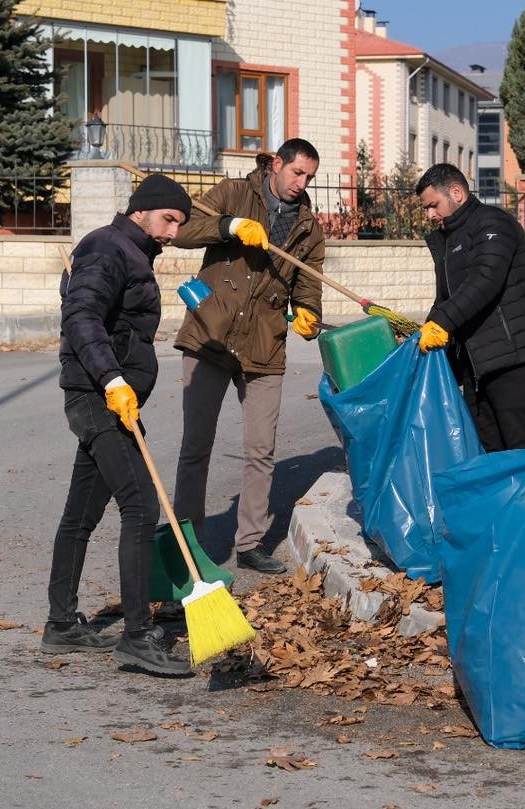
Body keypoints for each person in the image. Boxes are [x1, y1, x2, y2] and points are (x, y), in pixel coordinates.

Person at [42, 174, 194, 676]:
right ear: (142, 210)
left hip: (113, 399)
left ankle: (61, 625)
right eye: (169, 219)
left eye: (180, 223)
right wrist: (111, 379)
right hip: (97, 396)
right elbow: (81, 316)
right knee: (140, 504)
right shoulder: (107, 248)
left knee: (80, 516)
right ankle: (136, 635)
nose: (174, 232)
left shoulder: (131, 251)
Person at [170, 139, 324, 575]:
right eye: (296, 173)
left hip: (265, 345)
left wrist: (310, 313)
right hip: (210, 336)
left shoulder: (309, 228)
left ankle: (251, 543)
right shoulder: (234, 193)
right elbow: (181, 230)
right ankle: (187, 546)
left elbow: (308, 285)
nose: (301, 183)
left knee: (261, 450)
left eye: (309, 177)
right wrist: (229, 226)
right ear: (276, 164)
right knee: (195, 447)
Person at [414, 163, 525, 452]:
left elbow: (486, 280)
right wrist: (424, 331)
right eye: (426, 208)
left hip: (518, 359)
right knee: (486, 452)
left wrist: (442, 321)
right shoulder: (448, 240)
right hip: (478, 366)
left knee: (521, 450)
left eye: (433, 205)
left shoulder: (493, 223)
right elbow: (445, 298)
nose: (430, 215)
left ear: (456, 192)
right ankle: (499, 499)